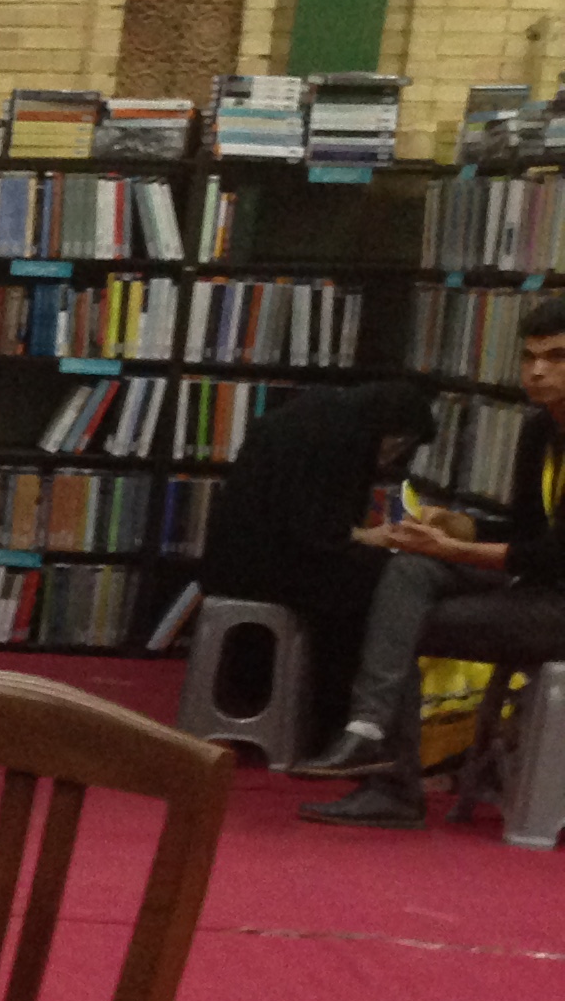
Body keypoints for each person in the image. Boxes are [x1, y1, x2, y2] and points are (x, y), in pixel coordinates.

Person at [290, 300, 565, 827]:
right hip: (539, 586)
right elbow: (528, 532)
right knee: (410, 569)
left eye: (556, 357)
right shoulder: (539, 430)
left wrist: (454, 550)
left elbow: (554, 555)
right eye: (529, 357)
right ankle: (369, 732)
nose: (537, 371)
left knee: (401, 620)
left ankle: (387, 777)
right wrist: (457, 527)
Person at [195, 377, 440, 750]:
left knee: (366, 577)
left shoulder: (316, 413)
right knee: (386, 587)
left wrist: (357, 537)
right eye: (400, 446)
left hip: (233, 562)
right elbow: (317, 534)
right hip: (267, 569)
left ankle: (266, 698)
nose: (393, 457)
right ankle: (345, 723)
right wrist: (375, 539)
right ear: (394, 435)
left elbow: (301, 518)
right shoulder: (344, 439)